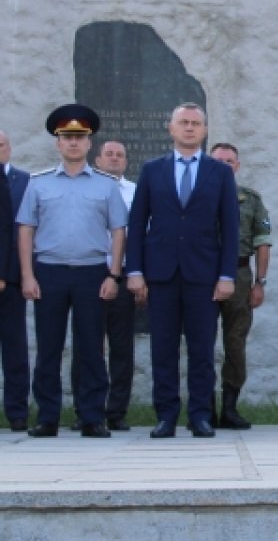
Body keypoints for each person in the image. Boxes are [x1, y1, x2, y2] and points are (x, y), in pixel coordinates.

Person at [126, 103, 239, 439]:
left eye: (196, 123)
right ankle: (166, 416)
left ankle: (201, 415)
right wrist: (135, 271)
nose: (189, 128)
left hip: (203, 276)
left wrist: (227, 275)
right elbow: (137, 222)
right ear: (170, 128)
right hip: (160, 274)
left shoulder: (218, 173)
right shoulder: (152, 170)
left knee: (203, 349)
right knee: (163, 348)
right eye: (183, 123)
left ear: (205, 130)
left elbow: (230, 228)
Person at [16, 105, 125, 438]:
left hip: (92, 272)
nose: (73, 144)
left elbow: (119, 230)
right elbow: (25, 230)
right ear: (57, 143)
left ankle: (91, 416)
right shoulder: (38, 184)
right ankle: (48, 417)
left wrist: (113, 275)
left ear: (90, 143)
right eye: (67, 138)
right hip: (48, 272)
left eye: (79, 137)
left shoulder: (106, 186)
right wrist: (27, 275)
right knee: (49, 347)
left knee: (91, 347)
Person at [74, 140, 138, 431]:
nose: (114, 159)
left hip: (122, 276)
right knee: (87, 345)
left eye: (120, 155)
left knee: (121, 346)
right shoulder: (84, 187)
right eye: (109, 154)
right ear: (97, 159)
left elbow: (141, 237)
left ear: (126, 162)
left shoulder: (135, 192)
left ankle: (116, 411)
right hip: (88, 274)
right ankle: (86, 410)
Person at [209, 142, 272, 430]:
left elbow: (262, 242)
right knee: (202, 343)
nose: (224, 165)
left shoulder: (251, 199)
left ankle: (230, 408)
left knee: (236, 342)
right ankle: (204, 408)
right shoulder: (196, 196)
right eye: (218, 161)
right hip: (203, 276)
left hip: (239, 273)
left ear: (237, 166)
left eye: (229, 161)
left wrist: (260, 282)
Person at [0, 130, 31, 432]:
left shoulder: (24, 182)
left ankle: (17, 412)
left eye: (1, 145)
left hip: (12, 279)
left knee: (15, 350)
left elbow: (24, 230)